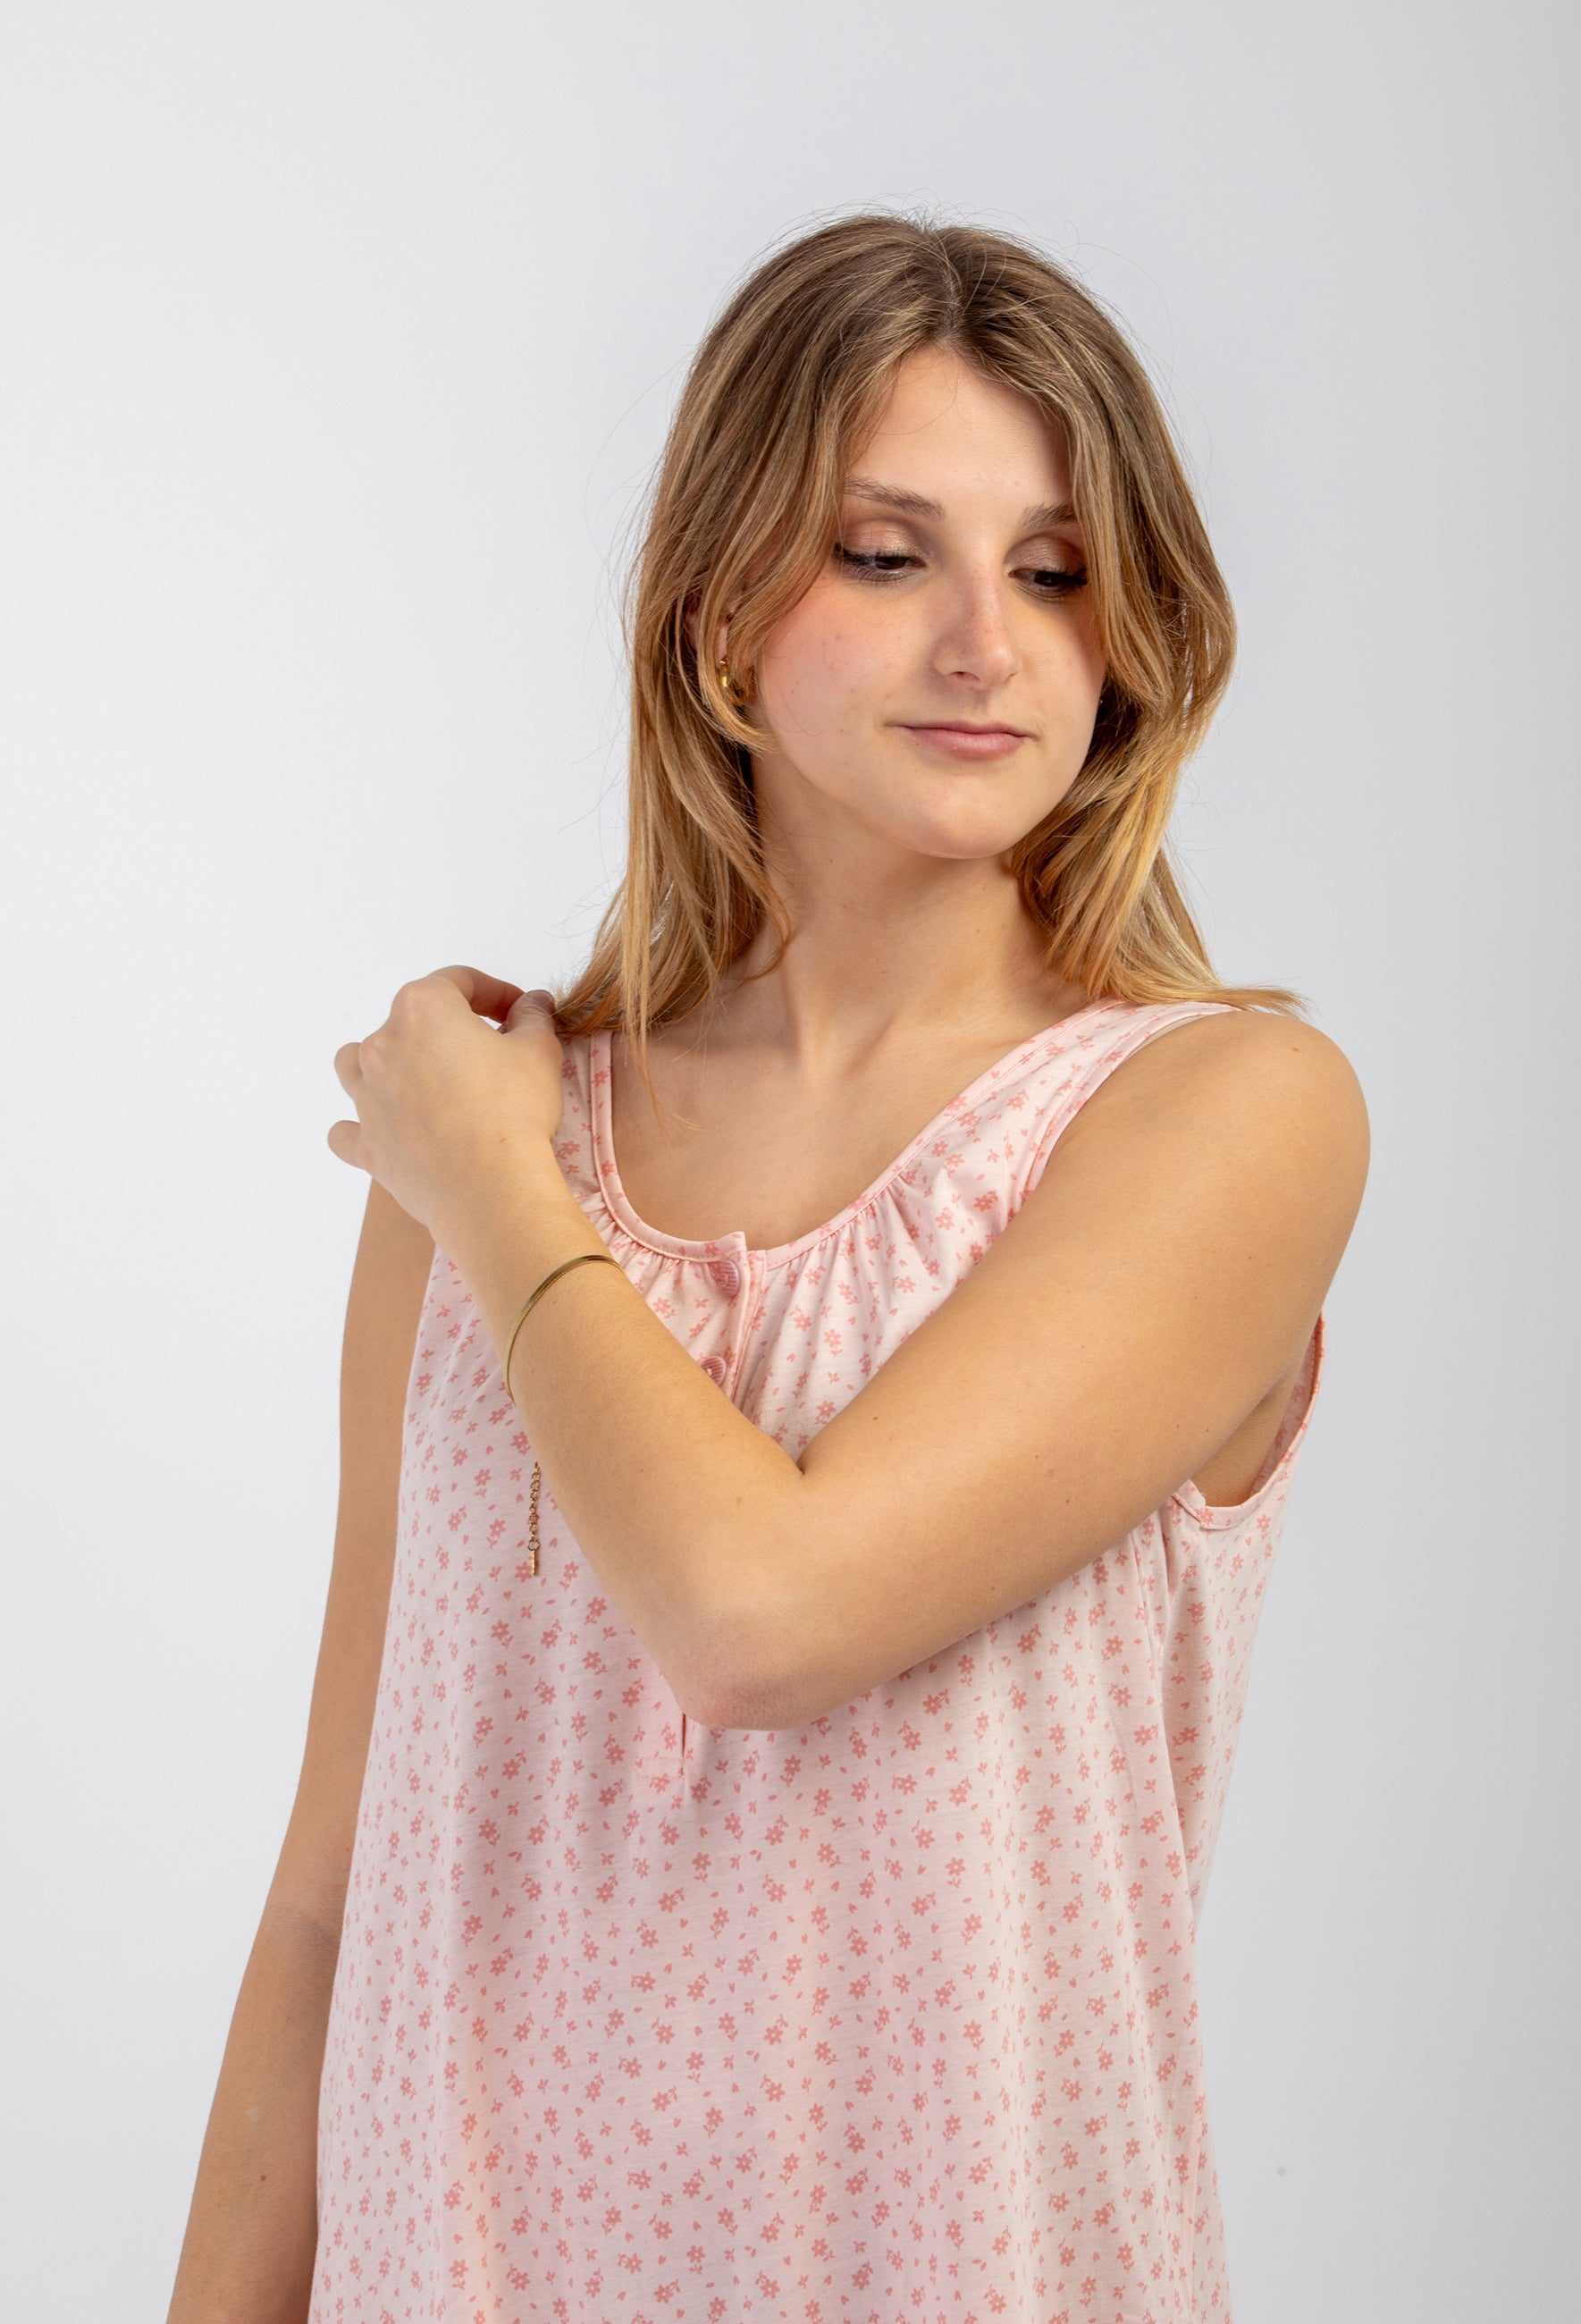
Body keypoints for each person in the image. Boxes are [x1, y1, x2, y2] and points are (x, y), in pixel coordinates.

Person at [169, 213, 1368, 2323]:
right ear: (721, 616)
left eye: (1056, 570)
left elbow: (759, 1611)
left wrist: (496, 1187)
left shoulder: (1223, 1114)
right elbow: (332, 1902)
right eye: (888, 554)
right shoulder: (488, 1140)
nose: (987, 643)